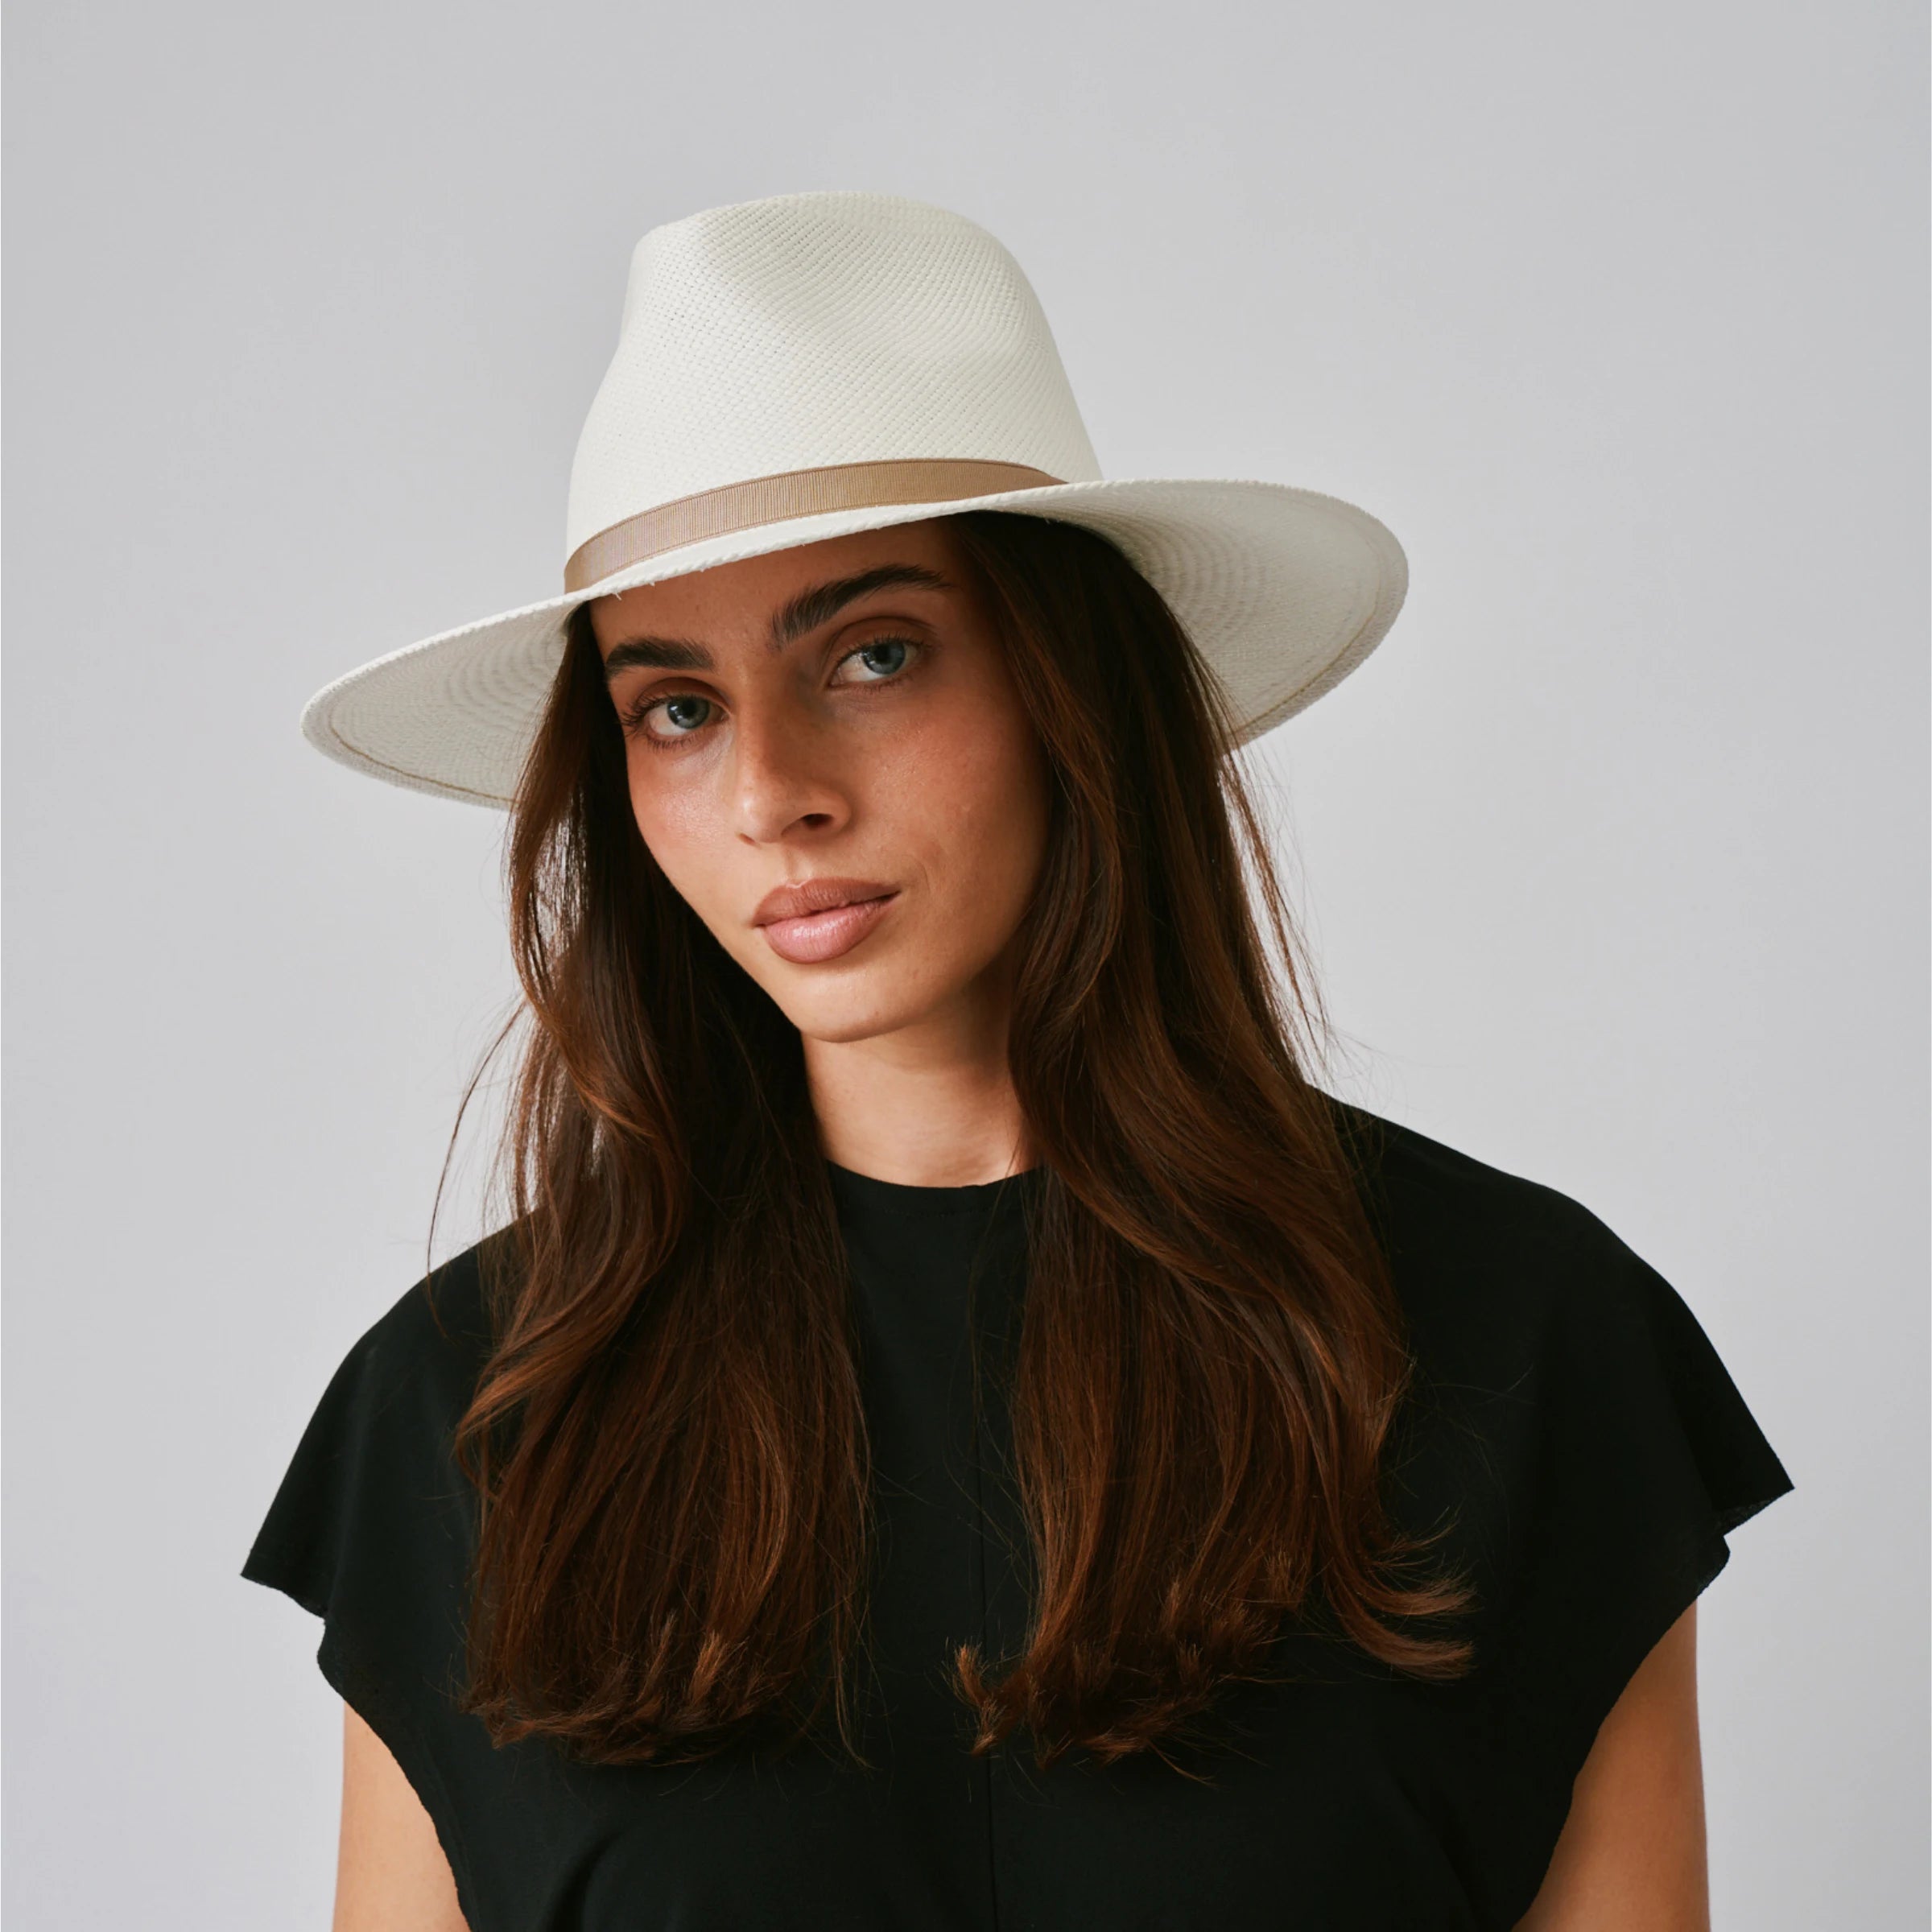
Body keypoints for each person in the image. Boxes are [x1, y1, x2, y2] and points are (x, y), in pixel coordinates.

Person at [243, 192, 1793, 1932]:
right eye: (674, 707)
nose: (771, 793)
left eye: (875, 654)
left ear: (1074, 682)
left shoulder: (1520, 1339)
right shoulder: (472, 1416)